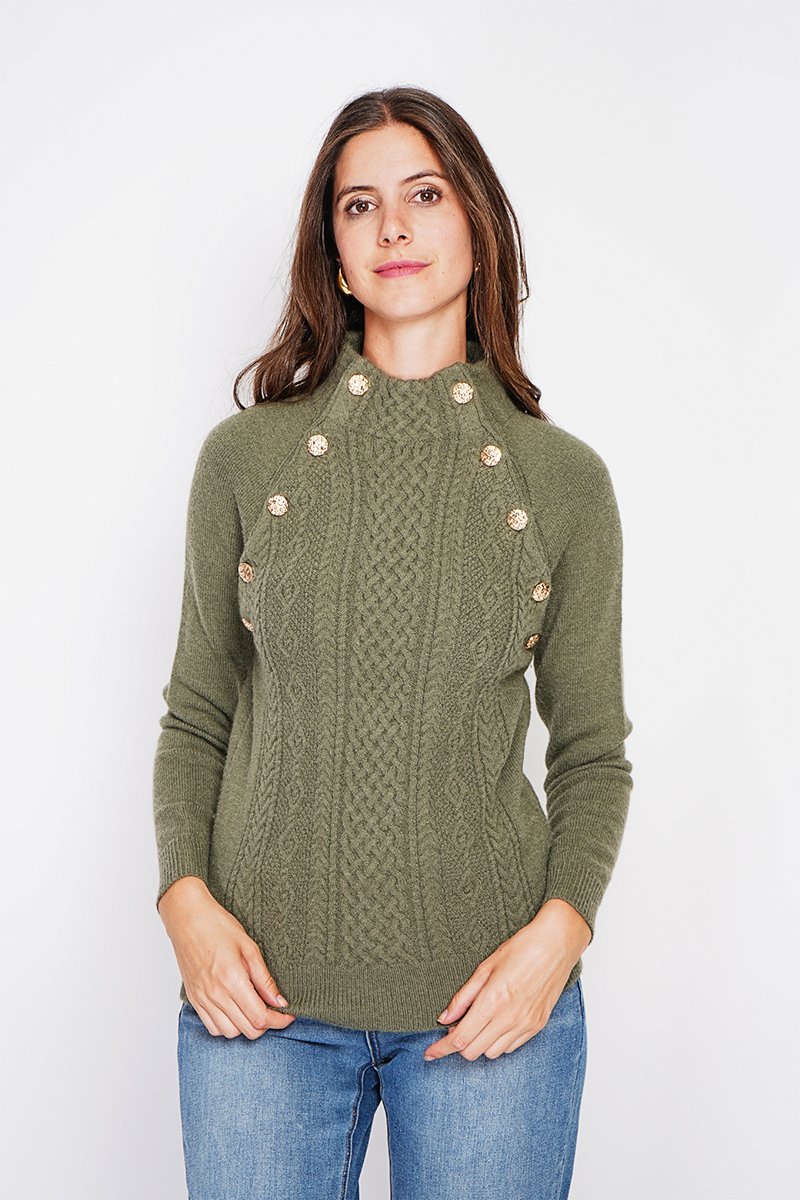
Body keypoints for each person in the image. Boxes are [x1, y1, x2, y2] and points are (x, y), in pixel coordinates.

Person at [153, 85, 634, 1200]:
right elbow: (196, 716)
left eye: (423, 195)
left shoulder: (561, 483)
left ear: (477, 223)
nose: (393, 228)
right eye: (358, 205)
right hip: (258, 1011)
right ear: (332, 251)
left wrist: (557, 940)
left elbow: (592, 754)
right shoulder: (246, 461)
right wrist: (184, 904)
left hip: (488, 1012)